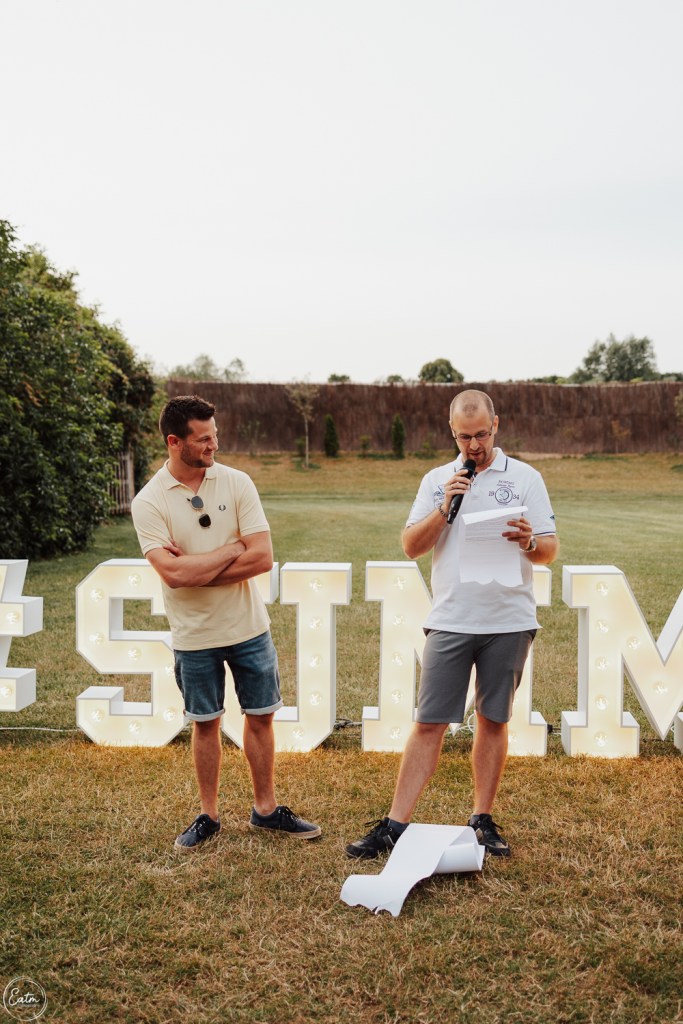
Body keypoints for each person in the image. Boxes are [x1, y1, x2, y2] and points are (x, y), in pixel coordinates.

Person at [346, 389, 558, 860]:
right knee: (429, 722)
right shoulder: (437, 480)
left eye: (481, 434)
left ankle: (481, 819)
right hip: (451, 619)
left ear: (495, 425)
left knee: (493, 719)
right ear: (452, 432)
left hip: (508, 620)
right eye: (464, 437)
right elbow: (411, 547)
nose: (474, 445)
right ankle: (395, 825)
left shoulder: (526, 478)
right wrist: (445, 507)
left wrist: (529, 542)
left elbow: (549, 550)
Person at [131, 394, 321, 851]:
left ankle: (266, 810)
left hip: (249, 628)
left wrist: (199, 568)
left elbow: (262, 558)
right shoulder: (149, 501)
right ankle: (209, 816)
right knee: (205, 723)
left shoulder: (237, 483)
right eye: (203, 439)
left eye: (214, 435)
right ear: (174, 442)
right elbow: (173, 575)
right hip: (194, 635)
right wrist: (233, 549)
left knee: (261, 716)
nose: (213, 445)